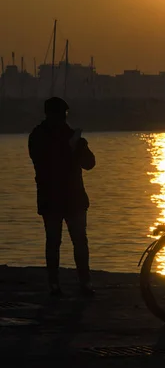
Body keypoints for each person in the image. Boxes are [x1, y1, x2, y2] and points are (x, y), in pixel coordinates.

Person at [28, 97, 96, 297]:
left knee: (78, 241)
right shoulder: (39, 137)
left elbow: (90, 163)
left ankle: (84, 282)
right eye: (62, 115)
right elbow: (45, 162)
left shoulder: (69, 136)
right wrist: (72, 149)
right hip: (53, 198)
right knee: (54, 241)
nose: (64, 119)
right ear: (52, 115)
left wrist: (79, 146)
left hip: (72, 198)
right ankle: (54, 283)